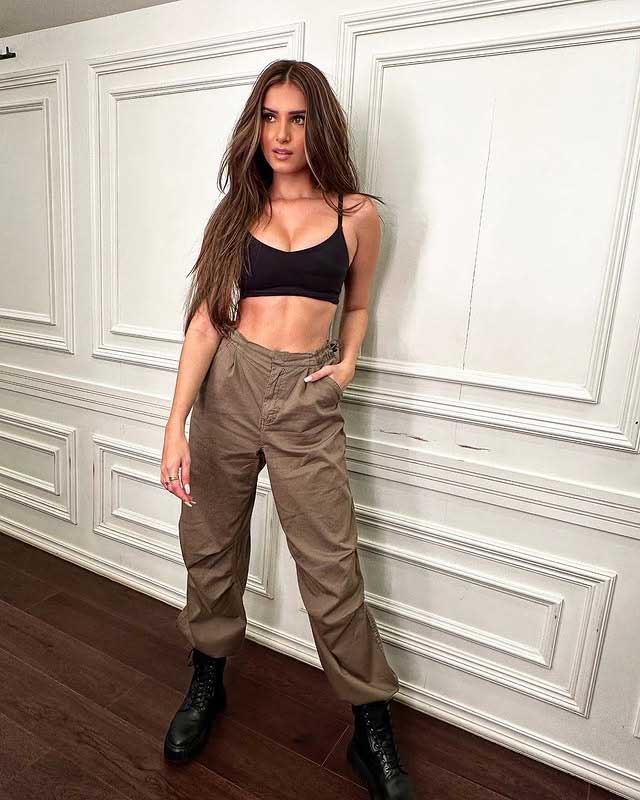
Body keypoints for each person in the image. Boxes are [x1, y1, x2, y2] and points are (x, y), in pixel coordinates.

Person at [160, 59, 416, 800]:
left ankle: (370, 726)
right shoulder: (236, 213)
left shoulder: (356, 215)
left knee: (332, 568)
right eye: (269, 117)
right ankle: (207, 680)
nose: (281, 133)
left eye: (297, 118)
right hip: (230, 388)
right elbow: (206, 322)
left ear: (318, 126)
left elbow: (357, 305)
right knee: (211, 546)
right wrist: (175, 426)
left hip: (307, 398)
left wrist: (347, 363)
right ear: (255, 126)